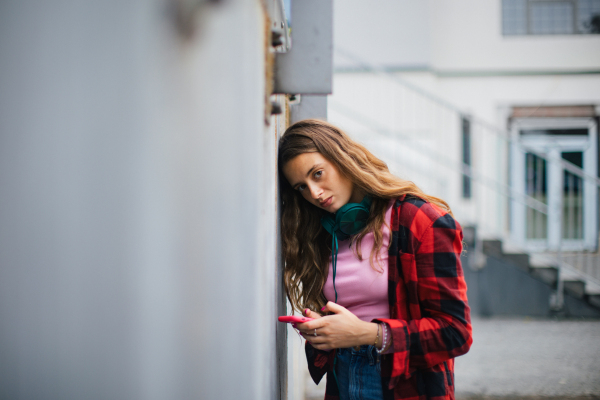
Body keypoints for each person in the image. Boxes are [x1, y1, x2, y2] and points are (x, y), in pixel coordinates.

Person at [278, 119, 472, 400]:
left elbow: (456, 333)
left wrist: (370, 334)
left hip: (404, 386)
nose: (314, 193)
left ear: (343, 159)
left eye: (317, 174)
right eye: (301, 187)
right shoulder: (327, 229)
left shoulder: (420, 221)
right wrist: (323, 330)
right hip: (343, 378)